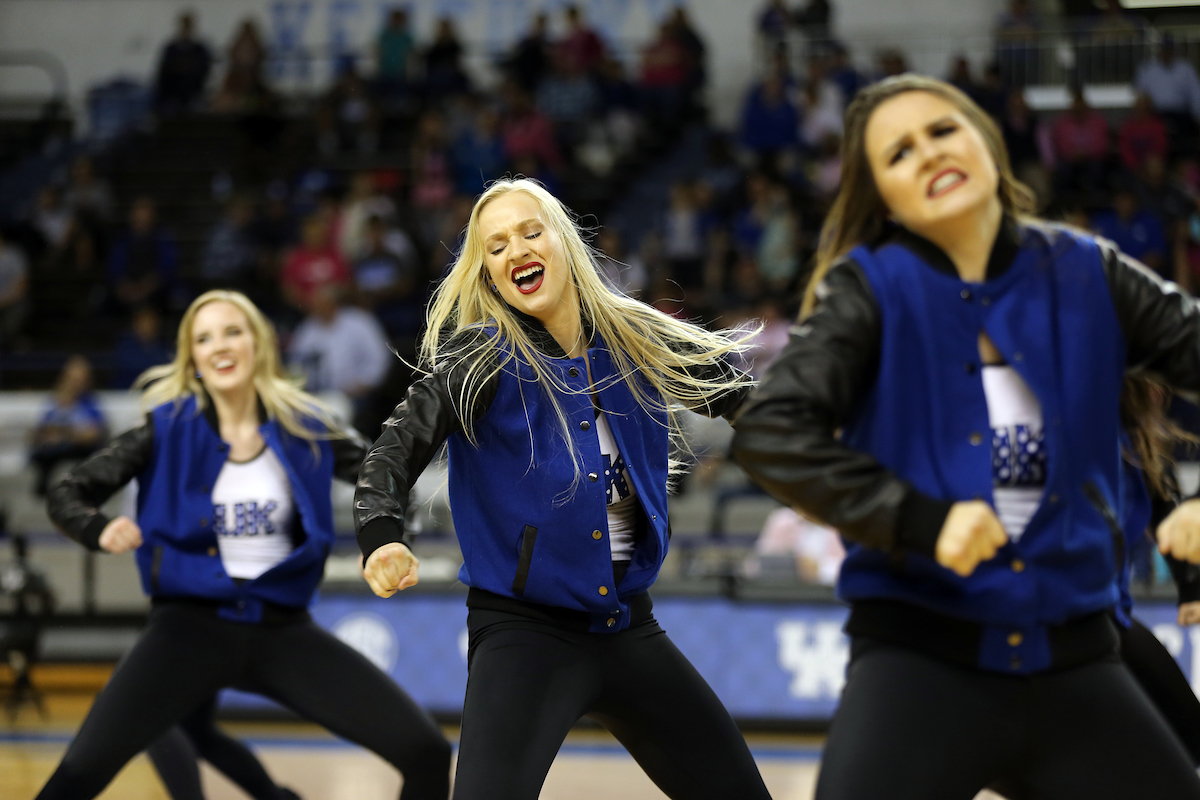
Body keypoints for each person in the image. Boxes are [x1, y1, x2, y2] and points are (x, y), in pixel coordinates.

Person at [730, 74, 1200, 799]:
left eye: (942, 131)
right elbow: (770, 434)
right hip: (920, 661)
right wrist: (920, 521)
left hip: (1078, 660)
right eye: (899, 152)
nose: (926, 154)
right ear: (883, 195)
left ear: (986, 138)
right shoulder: (868, 288)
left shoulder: (1087, 270)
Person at [353, 178, 771, 800]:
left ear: (563, 241)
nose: (516, 250)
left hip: (629, 625)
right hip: (525, 634)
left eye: (530, 231)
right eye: (495, 247)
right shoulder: (479, 356)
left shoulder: (637, 336)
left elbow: (746, 402)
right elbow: (391, 452)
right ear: (488, 274)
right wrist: (382, 537)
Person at [35, 290, 451, 799]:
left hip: (281, 630)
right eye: (204, 338)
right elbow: (67, 492)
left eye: (233, 331)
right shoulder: (165, 430)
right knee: (77, 774)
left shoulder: (307, 427)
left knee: (427, 751)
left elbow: (383, 471)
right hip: (186, 629)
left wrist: (385, 540)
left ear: (258, 344)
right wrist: (96, 528)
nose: (220, 345)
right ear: (194, 359)